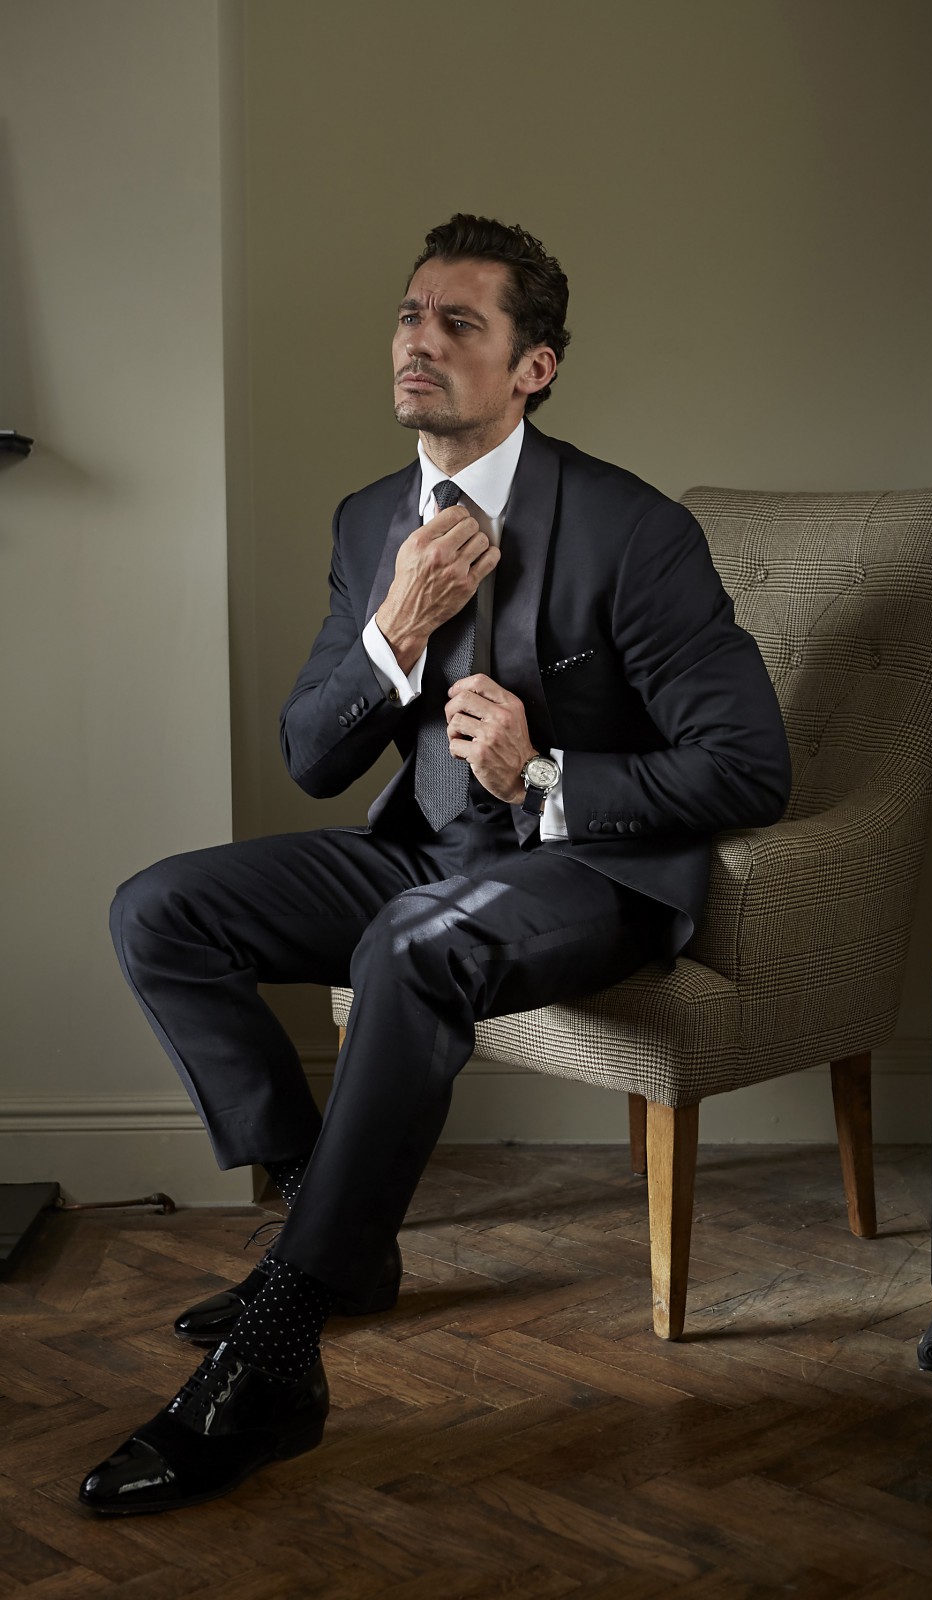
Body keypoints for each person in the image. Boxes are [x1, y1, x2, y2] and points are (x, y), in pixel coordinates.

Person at [79, 215, 791, 1514]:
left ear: (535, 367)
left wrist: (547, 777)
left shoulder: (631, 530)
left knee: (413, 945)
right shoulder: (369, 521)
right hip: (422, 851)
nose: (419, 340)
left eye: (461, 322)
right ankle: (329, 1236)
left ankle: (283, 1346)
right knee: (160, 911)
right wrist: (396, 630)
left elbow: (751, 767)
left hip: (591, 871)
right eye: (411, 315)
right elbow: (308, 754)